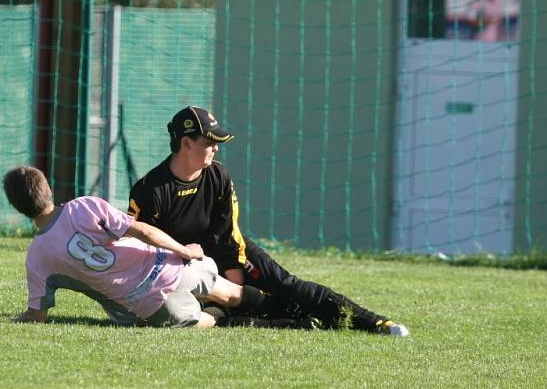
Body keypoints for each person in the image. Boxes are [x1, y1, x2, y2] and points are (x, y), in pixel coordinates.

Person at [127, 106, 409, 336]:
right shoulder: (149, 190)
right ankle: (297, 322)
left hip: (227, 251)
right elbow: (139, 247)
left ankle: (374, 323)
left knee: (287, 285)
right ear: (186, 143)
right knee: (248, 307)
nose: (216, 149)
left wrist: (234, 277)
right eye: (210, 143)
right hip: (181, 265)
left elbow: (228, 231)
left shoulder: (218, 175)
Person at [3, 165, 282, 327]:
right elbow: (143, 230)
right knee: (232, 292)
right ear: (48, 189)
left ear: (17, 208)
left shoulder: (37, 257)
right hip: (170, 266)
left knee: (201, 322)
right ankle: (291, 314)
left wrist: (8, 321)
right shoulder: (84, 206)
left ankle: (221, 316)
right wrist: (184, 251)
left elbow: (37, 315)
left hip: (147, 304)